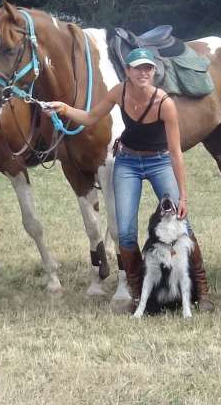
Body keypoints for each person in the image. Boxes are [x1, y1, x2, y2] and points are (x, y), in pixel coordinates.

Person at [44, 47, 205, 311]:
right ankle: (139, 294)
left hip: (159, 161)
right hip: (128, 162)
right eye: (138, 68)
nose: (143, 73)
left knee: (183, 224)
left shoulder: (164, 103)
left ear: (153, 71)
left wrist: (183, 197)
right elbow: (90, 117)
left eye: (148, 68)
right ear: (127, 71)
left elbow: (176, 153)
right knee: (126, 232)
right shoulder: (119, 92)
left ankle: (202, 290)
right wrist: (63, 108)